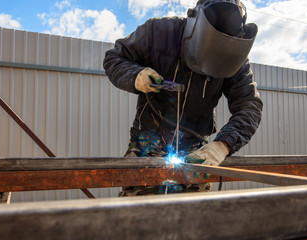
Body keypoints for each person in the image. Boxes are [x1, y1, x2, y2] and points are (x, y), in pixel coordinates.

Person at [103, 0, 263, 196]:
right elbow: (114, 59)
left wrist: (223, 145)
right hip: (147, 143)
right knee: (137, 215)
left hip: (195, 151)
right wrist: (135, 75)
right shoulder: (159, 32)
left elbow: (249, 107)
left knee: (194, 216)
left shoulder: (234, 57)